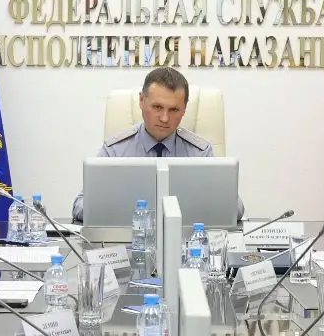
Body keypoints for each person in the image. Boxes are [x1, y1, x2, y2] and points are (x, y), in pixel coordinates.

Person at [70, 66, 237, 222]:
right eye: (157, 107)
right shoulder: (115, 150)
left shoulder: (200, 153)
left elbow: (235, 208)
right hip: (129, 239)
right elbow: (80, 205)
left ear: (184, 109)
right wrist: (122, 208)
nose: (165, 118)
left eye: (174, 110)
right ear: (142, 100)